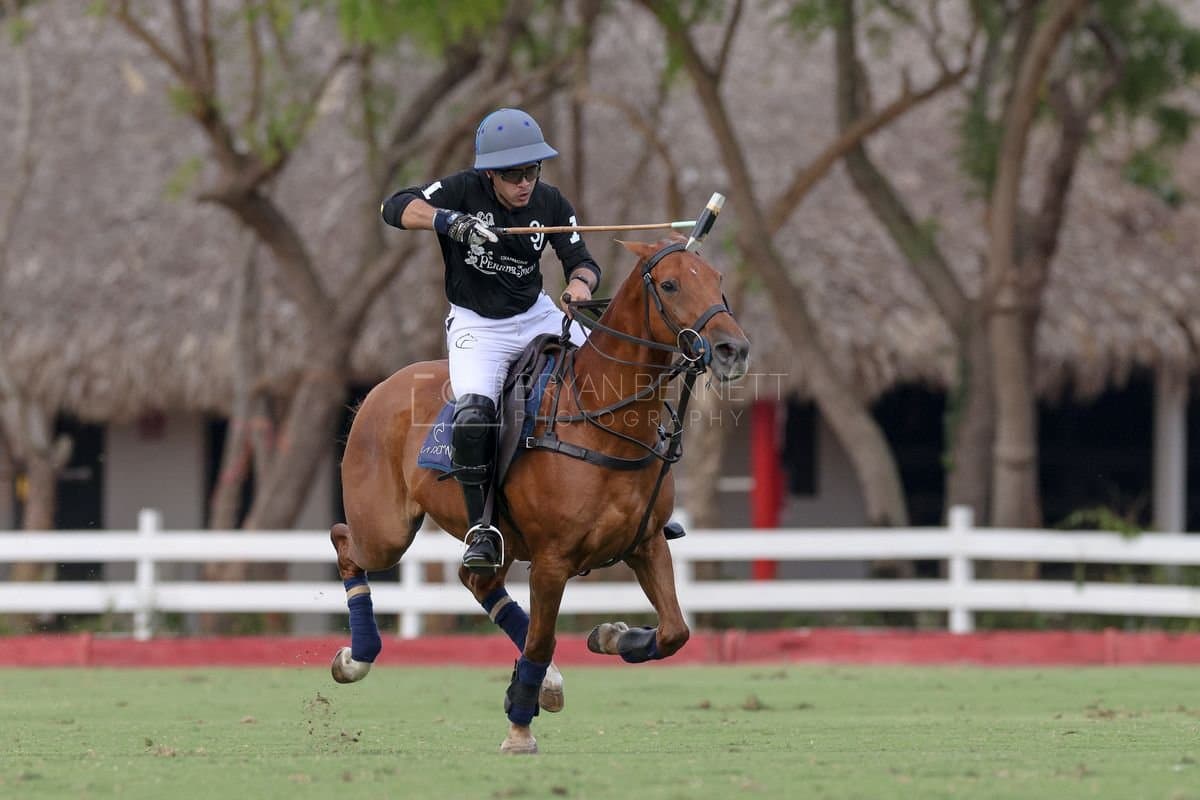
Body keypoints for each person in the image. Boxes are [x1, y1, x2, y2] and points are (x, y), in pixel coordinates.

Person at [380, 107, 601, 573]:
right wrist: (448, 222)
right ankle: (482, 526)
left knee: (607, 373)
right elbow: (395, 206)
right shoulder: (462, 189)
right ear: (489, 174)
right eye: (512, 174)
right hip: (478, 326)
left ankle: (633, 495)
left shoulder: (551, 203)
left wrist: (578, 287)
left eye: (531, 171)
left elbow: (582, 260)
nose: (524, 183)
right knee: (476, 410)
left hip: (536, 313)